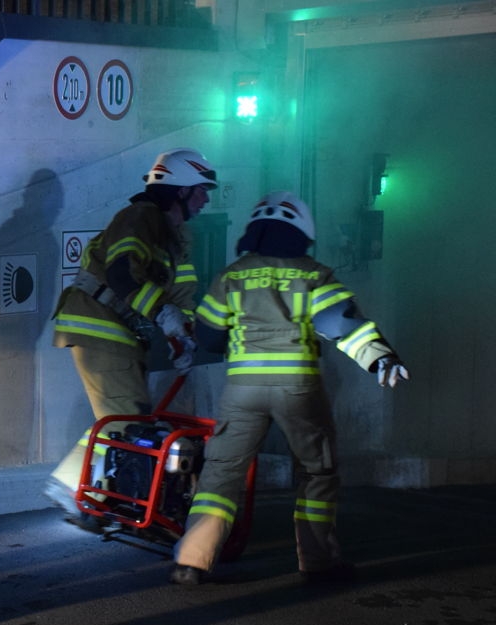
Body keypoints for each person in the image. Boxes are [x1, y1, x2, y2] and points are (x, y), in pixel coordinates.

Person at [169, 191, 408, 586]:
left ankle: (192, 560)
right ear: (301, 230)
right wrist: (380, 357)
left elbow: (209, 336)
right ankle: (318, 562)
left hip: (242, 390)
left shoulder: (232, 275)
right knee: (317, 471)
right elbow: (342, 325)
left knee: (222, 474)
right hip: (297, 388)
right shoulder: (313, 274)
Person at [45, 148, 217, 521]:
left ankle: (76, 486)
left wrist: (184, 337)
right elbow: (122, 273)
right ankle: (80, 493)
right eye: (202, 190)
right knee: (127, 418)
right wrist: (164, 315)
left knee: (122, 415)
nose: (206, 199)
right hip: (99, 326)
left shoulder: (175, 237)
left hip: (116, 332)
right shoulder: (140, 217)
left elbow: (181, 296)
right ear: (181, 190)